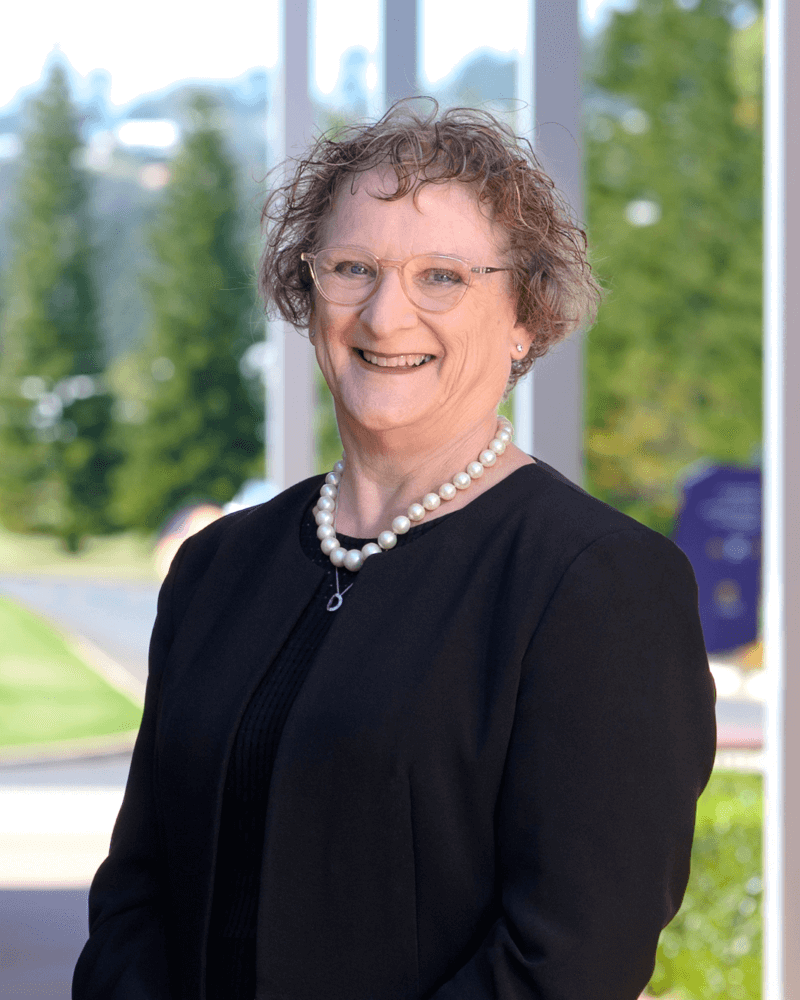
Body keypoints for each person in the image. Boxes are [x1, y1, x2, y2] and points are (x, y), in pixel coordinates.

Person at [73, 101, 717, 1000]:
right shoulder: (218, 567)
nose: (387, 312)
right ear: (308, 296)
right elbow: (139, 886)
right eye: (352, 268)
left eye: (443, 277)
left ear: (526, 315)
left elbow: (570, 959)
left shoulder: (597, 583)